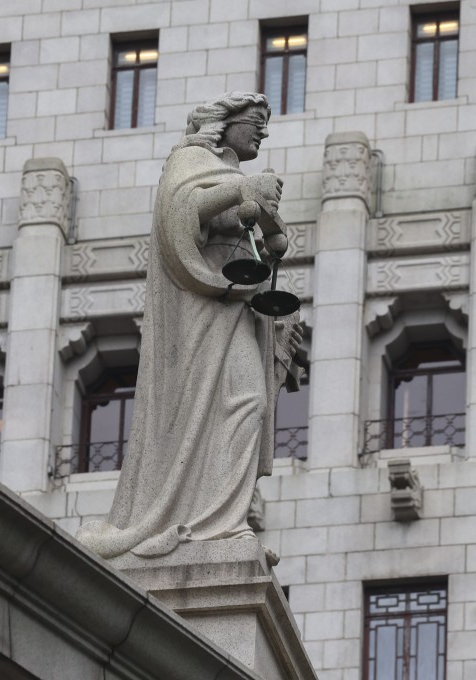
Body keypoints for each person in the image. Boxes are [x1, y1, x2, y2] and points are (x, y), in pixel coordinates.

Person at [76, 93, 302, 559]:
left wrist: (270, 225)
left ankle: (222, 521)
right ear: (225, 124)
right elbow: (179, 212)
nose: (262, 131)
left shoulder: (233, 173)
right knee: (240, 400)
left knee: (246, 403)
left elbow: (250, 224)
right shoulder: (190, 159)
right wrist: (243, 192)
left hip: (237, 301)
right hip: (203, 306)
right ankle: (210, 525)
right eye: (256, 122)